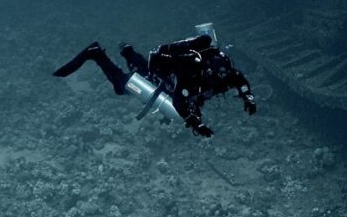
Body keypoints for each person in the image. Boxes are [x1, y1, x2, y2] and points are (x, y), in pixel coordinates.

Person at [53, 28, 257, 137]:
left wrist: (248, 98)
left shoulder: (226, 72)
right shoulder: (191, 76)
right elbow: (179, 102)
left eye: (223, 76)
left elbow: (240, 79)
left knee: (145, 69)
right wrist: (196, 124)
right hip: (163, 80)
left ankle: (128, 51)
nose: (221, 79)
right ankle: (96, 54)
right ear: (208, 71)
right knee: (122, 86)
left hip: (161, 70)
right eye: (216, 76)